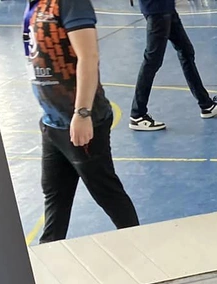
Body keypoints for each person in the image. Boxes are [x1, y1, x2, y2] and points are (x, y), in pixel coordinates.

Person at [24, 0, 138, 242]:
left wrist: (82, 113)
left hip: (80, 121)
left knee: (107, 193)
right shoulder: (36, 5)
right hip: (52, 123)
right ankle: (49, 251)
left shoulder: (69, 2)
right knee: (55, 196)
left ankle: (139, 242)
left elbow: (88, 56)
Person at [128, 0, 217, 131]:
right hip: (157, 9)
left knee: (186, 51)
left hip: (167, 8)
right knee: (152, 61)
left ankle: (206, 104)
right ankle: (137, 114)